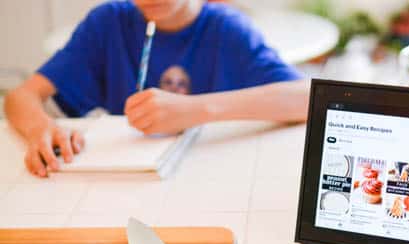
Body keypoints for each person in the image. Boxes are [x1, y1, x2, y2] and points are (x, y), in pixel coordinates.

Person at [4, 0, 310, 177]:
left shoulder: (227, 29)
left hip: (211, 182)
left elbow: (309, 97)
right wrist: (39, 128)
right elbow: (21, 96)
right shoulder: (107, 23)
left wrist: (193, 110)